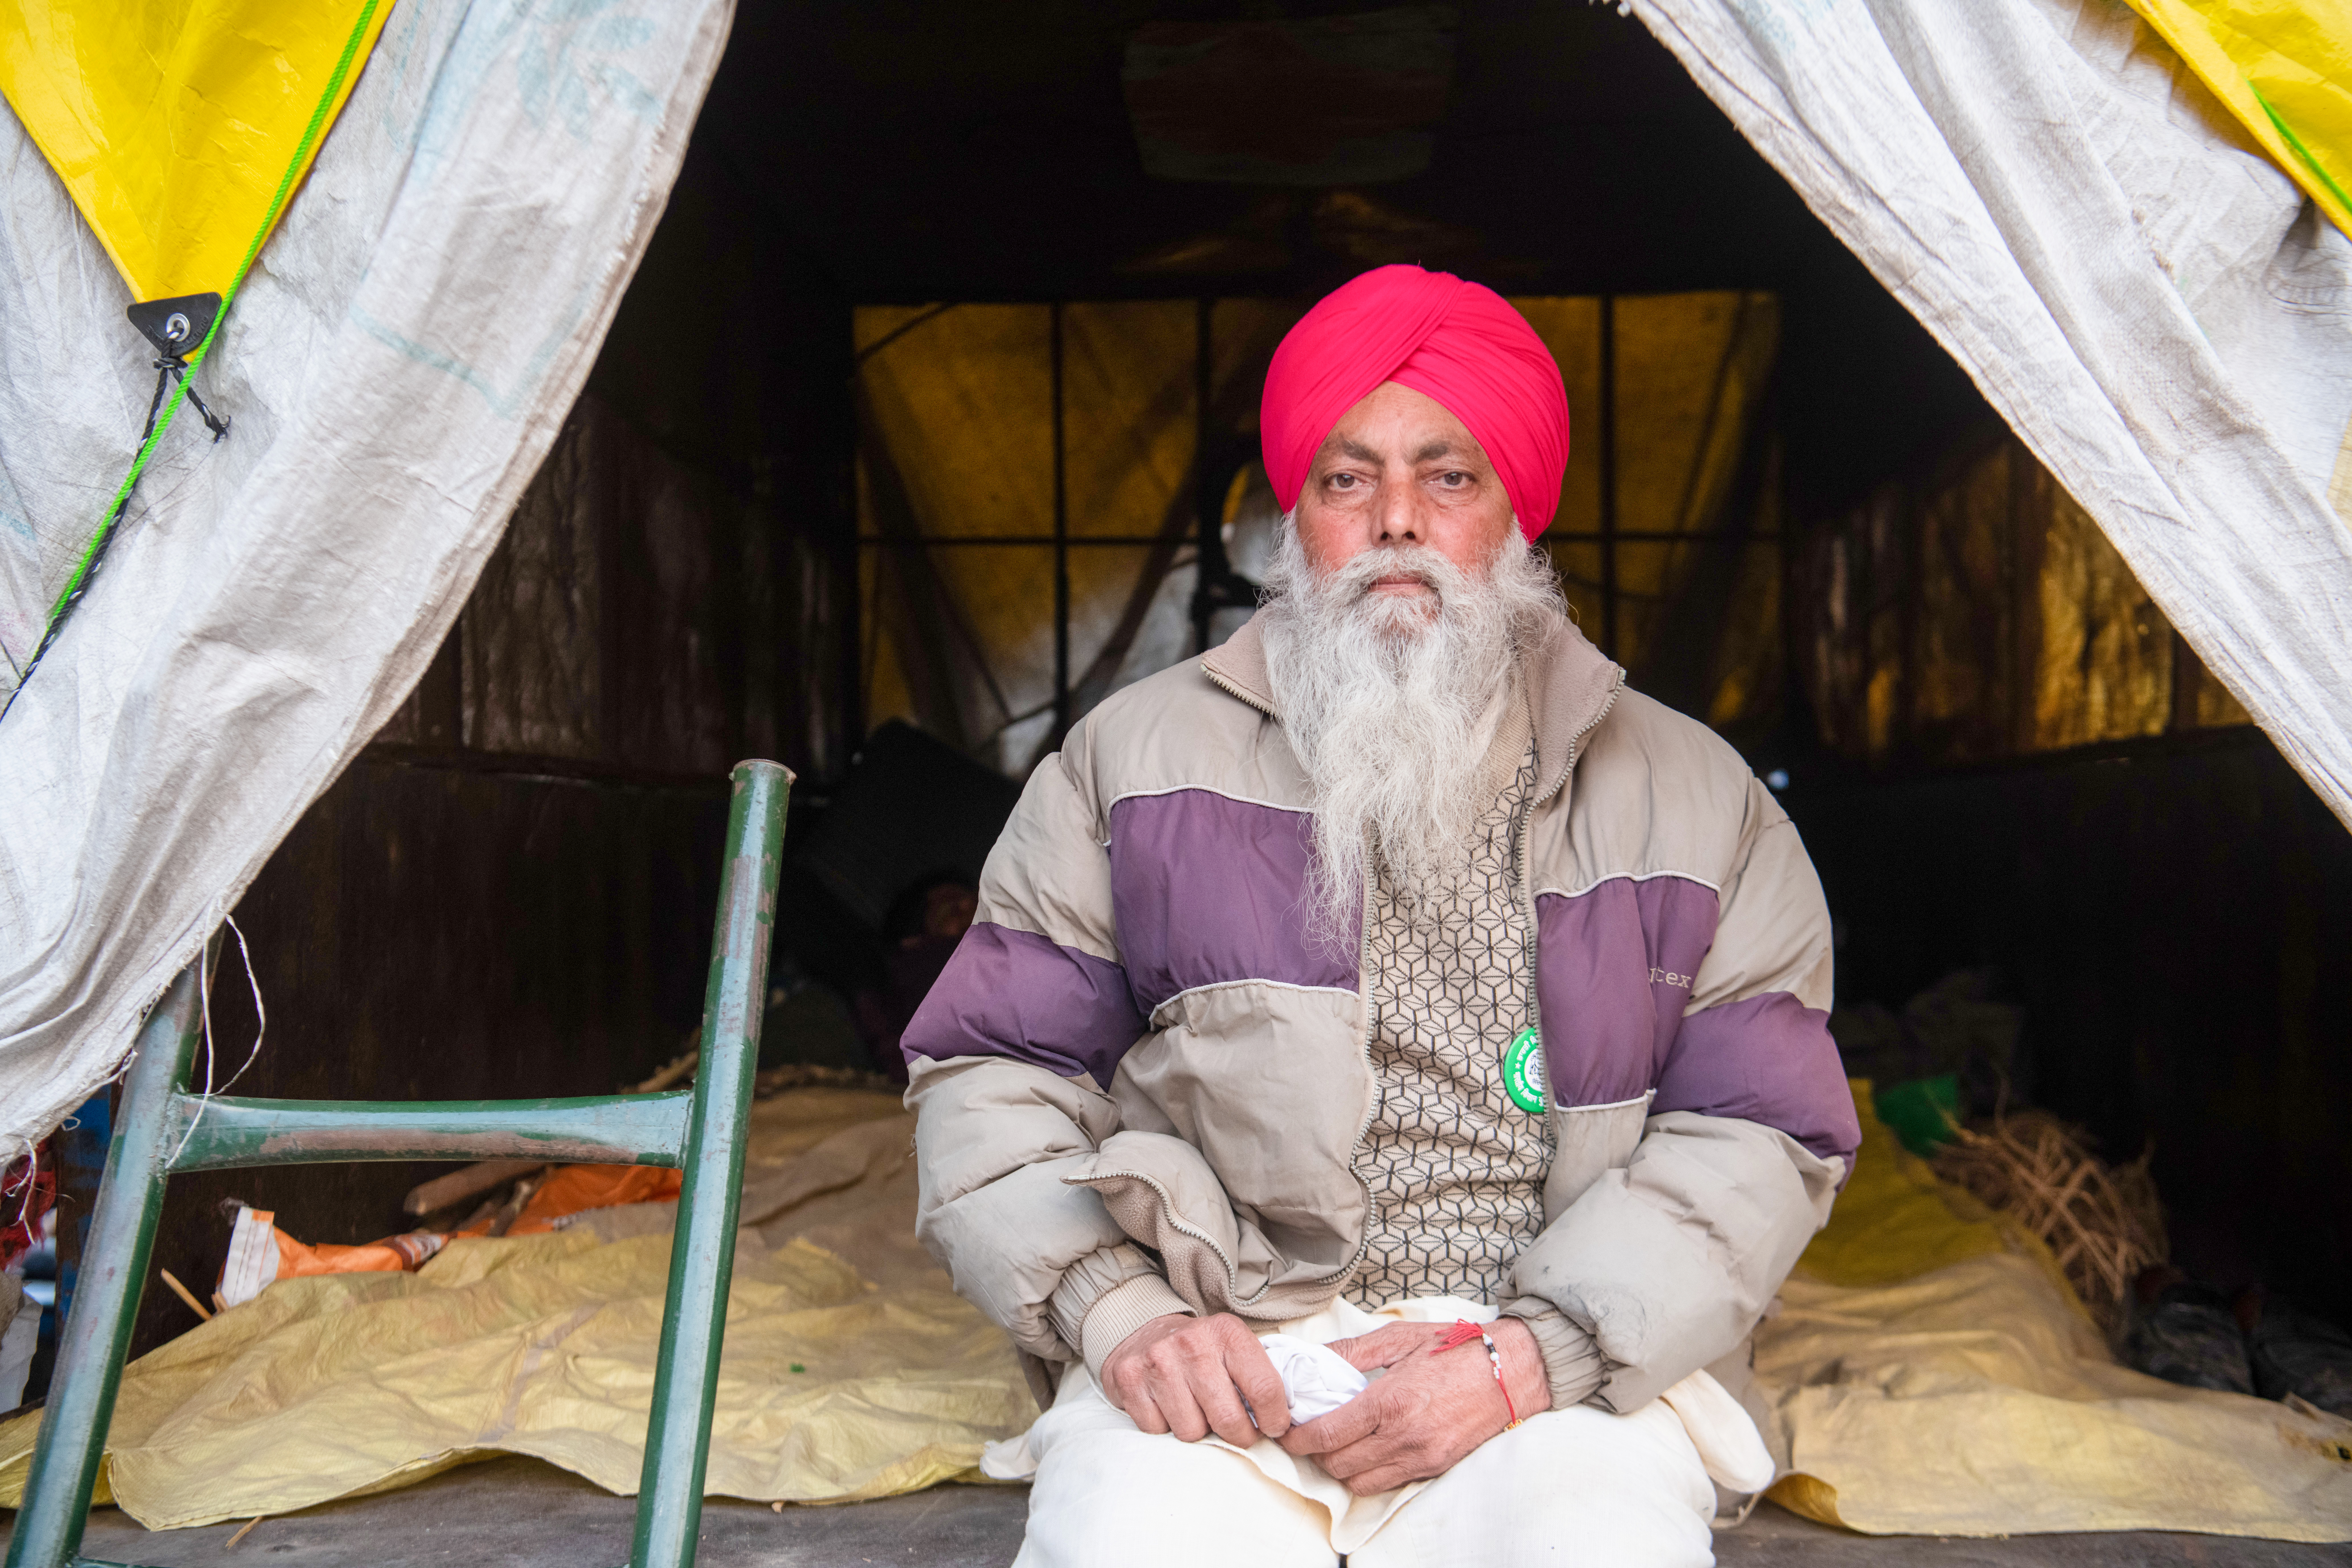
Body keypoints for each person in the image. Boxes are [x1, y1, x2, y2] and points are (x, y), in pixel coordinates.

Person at [901, 264, 1859, 1567]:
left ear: (1517, 515)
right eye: (1349, 479)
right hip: (1221, 1349)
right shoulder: (1127, 761)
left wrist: (1537, 1354)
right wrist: (1120, 1312)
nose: (1397, 520)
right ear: (1296, 520)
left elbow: (1758, 1127)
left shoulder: (1699, 798)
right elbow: (993, 1070)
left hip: (1545, 1363)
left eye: (1449, 476)